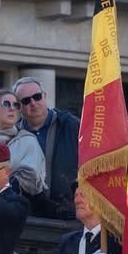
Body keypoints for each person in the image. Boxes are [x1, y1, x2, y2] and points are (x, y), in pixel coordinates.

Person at [13, 76, 79, 219]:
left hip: (67, 214)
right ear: (19, 107)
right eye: (25, 100)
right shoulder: (13, 135)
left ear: (45, 96)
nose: (33, 103)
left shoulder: (71, 125)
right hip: (26, 216)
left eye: (37, 97)